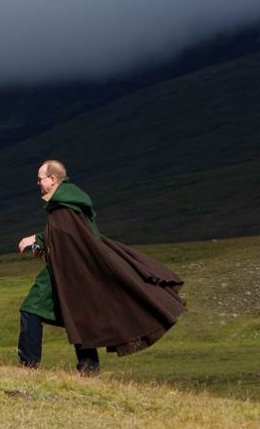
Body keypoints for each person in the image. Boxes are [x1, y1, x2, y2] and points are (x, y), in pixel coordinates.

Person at [17, 159, 186, 375]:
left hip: (69, 271)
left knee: (33, 308)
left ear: (52, 179)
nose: (38, 183)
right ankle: (88, 369)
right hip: (69, 270)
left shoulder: (64, 207)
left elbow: (67, 236)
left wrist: (38, 240)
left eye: (40, 179)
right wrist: (43, 242)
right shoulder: (66, 204)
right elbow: (67, 238)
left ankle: (29, 367)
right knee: (81, 313)